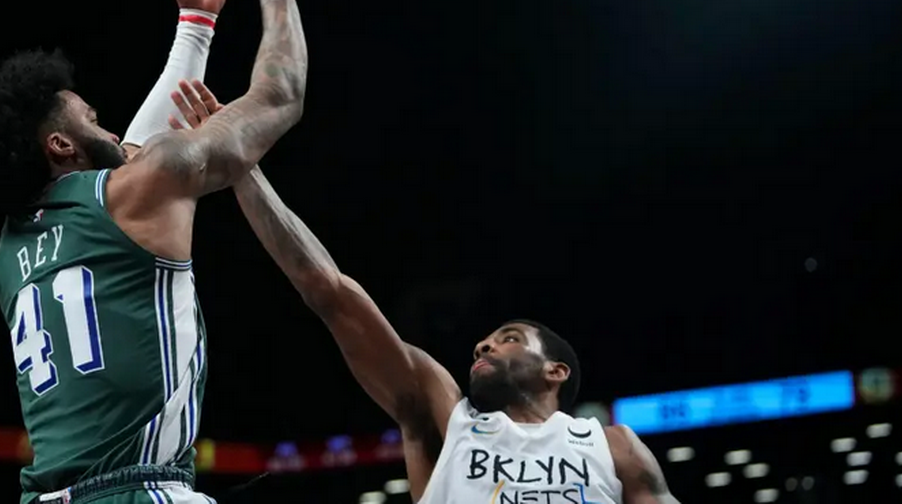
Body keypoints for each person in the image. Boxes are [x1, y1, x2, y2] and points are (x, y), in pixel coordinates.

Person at [0, 0, 307, 504]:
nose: (113, 130)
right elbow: (281, 96)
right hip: (136, 491)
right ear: (61, 145)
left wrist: (197, 23)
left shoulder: (11, 253)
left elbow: (133, 155)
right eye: (92, 120)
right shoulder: (133, 193)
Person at [164, 80, 681, 504]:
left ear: (556, 371)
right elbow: (331, 293)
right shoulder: (445, 417)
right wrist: (244, 169)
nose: (484, 344)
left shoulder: (611, 447)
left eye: (510, 338)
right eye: (488, 339)